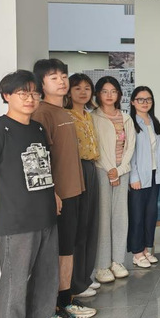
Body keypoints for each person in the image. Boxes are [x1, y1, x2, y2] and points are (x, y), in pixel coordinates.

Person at [0, 71, 68, 318]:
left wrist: (53, 194)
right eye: (22, 93)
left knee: (45, 275)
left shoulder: (37, 128)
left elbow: (42, 167)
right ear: (7, 96)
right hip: (14, 219)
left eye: (33, 93)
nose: (29, 98)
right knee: (15, 279)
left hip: (44, 214)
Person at [32, 59, 90, 318]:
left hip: (74, 189)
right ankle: (53, 307)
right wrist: (53, 192)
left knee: (69, 247)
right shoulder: (42, 113)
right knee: (58, 250)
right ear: (41, 84)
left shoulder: (64, 111)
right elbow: (40, 159)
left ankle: (66, 299)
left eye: (63, 76)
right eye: (54, 77)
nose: (62, 81)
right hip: (59, 195)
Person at [91, 77, 136, 282]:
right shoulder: (93, 117)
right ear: (98, 94)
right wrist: (110, 170)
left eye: (113, 91)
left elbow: (130, 146)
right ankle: (102, 265)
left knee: (120, 216)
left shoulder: (125, 118)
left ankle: (118, 260)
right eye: (104, 91)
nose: (109, 95)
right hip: (102, 171)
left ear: (119, 94)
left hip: (122, 171)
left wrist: (120, 169)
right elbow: (96, 147)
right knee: (103, 217)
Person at [66, 74, 101, 299]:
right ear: (69, 92)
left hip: (91, 167)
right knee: (79, 226)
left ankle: (85, 276)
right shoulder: (66, 116)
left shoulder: (88, 115)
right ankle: (76, 282)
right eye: (77, 88)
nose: (82, 92)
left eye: (87, 88)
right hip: (76, 168)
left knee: (90, 223)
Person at [128, 87, 160, 268]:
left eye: (148, 99)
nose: (145, 103)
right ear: (133, 102)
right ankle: (137, 253)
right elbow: (130, 153)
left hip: (154, 173)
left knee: (151, 213)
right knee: (137, 215)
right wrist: (133, 176)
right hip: (139, 175)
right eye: (140, 99)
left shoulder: (153, 121)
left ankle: (146, 249)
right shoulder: (130, 122)